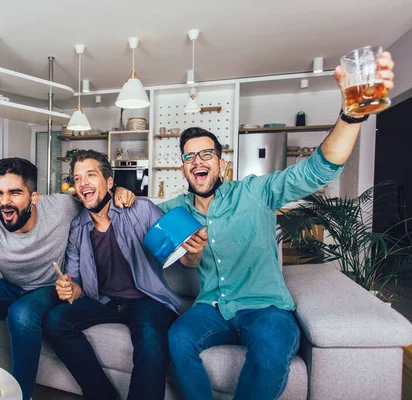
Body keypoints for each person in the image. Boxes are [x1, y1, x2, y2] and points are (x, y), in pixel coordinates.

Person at [162, 52, 395, 400]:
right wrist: (120, 191)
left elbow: (317, 171)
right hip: (211, 308)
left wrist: (351, 116)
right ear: (183, 168)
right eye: (189, 156)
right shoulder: (174, 210)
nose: (198, 161)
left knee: (271, 352)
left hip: (265, 307)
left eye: (206, 154)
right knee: (177, 338)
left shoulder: (256, 192)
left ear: (221, 163)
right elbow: (137, 224)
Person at [0, 157, 136, 400]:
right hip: (11, 285)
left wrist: (120, 191)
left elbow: (92, 198)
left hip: (51, 286)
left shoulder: (61, 207)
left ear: (34, 197)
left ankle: (23, 395)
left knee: (21, 313)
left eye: (15, 193)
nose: (4, 202)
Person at [43, 150, 181, 400]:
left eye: (91, 175)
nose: (83, 182)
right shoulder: (77, 229)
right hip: (104, 302)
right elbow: (76, 281)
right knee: (55, 320)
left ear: (108, 182)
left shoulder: (140, 209)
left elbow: (177, 248)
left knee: (150, 337)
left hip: (146, 300)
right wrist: (71, 288)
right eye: (77, 178)